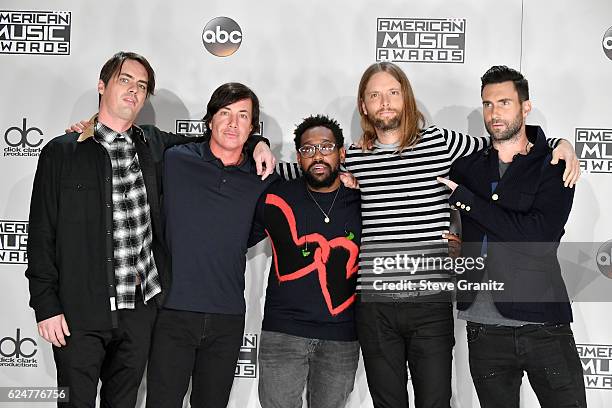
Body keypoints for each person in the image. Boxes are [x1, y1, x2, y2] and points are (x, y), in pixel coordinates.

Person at [278, 62, 579, 408]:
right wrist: (256, 146)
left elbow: (507, 141)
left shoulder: (441, 143)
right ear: (363, 105)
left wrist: (561, 143)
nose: (385, 102)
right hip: (374, 305)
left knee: (435, 402)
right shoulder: (354, 156)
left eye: (393, 93)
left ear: (406, 98)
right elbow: (302, 168)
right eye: (375, 95)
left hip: (431, 303)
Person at [26, 51, 273, 408]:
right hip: (80, 310)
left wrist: (257, 142)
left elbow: (222, 138)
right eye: (124, 80)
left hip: (140, 311)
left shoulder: (157, 146)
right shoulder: (62, 152)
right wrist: (46, 306)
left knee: (124, 401)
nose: (133, 91)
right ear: (102, 85)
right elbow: (41, 234)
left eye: (141, 86)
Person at [438, 65, 586, 408]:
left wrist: (470, 202)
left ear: (525, 107)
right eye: (488, 104)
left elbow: (538, 240)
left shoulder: (553, 164)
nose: (494, 113)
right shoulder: (467, 167)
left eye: (504, 103)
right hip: (483, 328)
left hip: (543, 323)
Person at [145, 82, 279, 408]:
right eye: (225, 113)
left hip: (227, 318)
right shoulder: (176, 160)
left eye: (243, 116)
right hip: (173, 312)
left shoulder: (264, 177)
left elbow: (256, 229)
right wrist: (90, 125)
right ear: (209, 120)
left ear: (252, 128)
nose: (233, 123)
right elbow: (124, 137)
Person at [251, 115, 362, 408]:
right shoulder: (276, 197)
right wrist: (258, 142)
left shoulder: (363, 201)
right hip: (282, 333)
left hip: (341, 337)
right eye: (308, 149)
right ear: (298, 157)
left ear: (342, 153)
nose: (318, 156)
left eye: (326, 147)